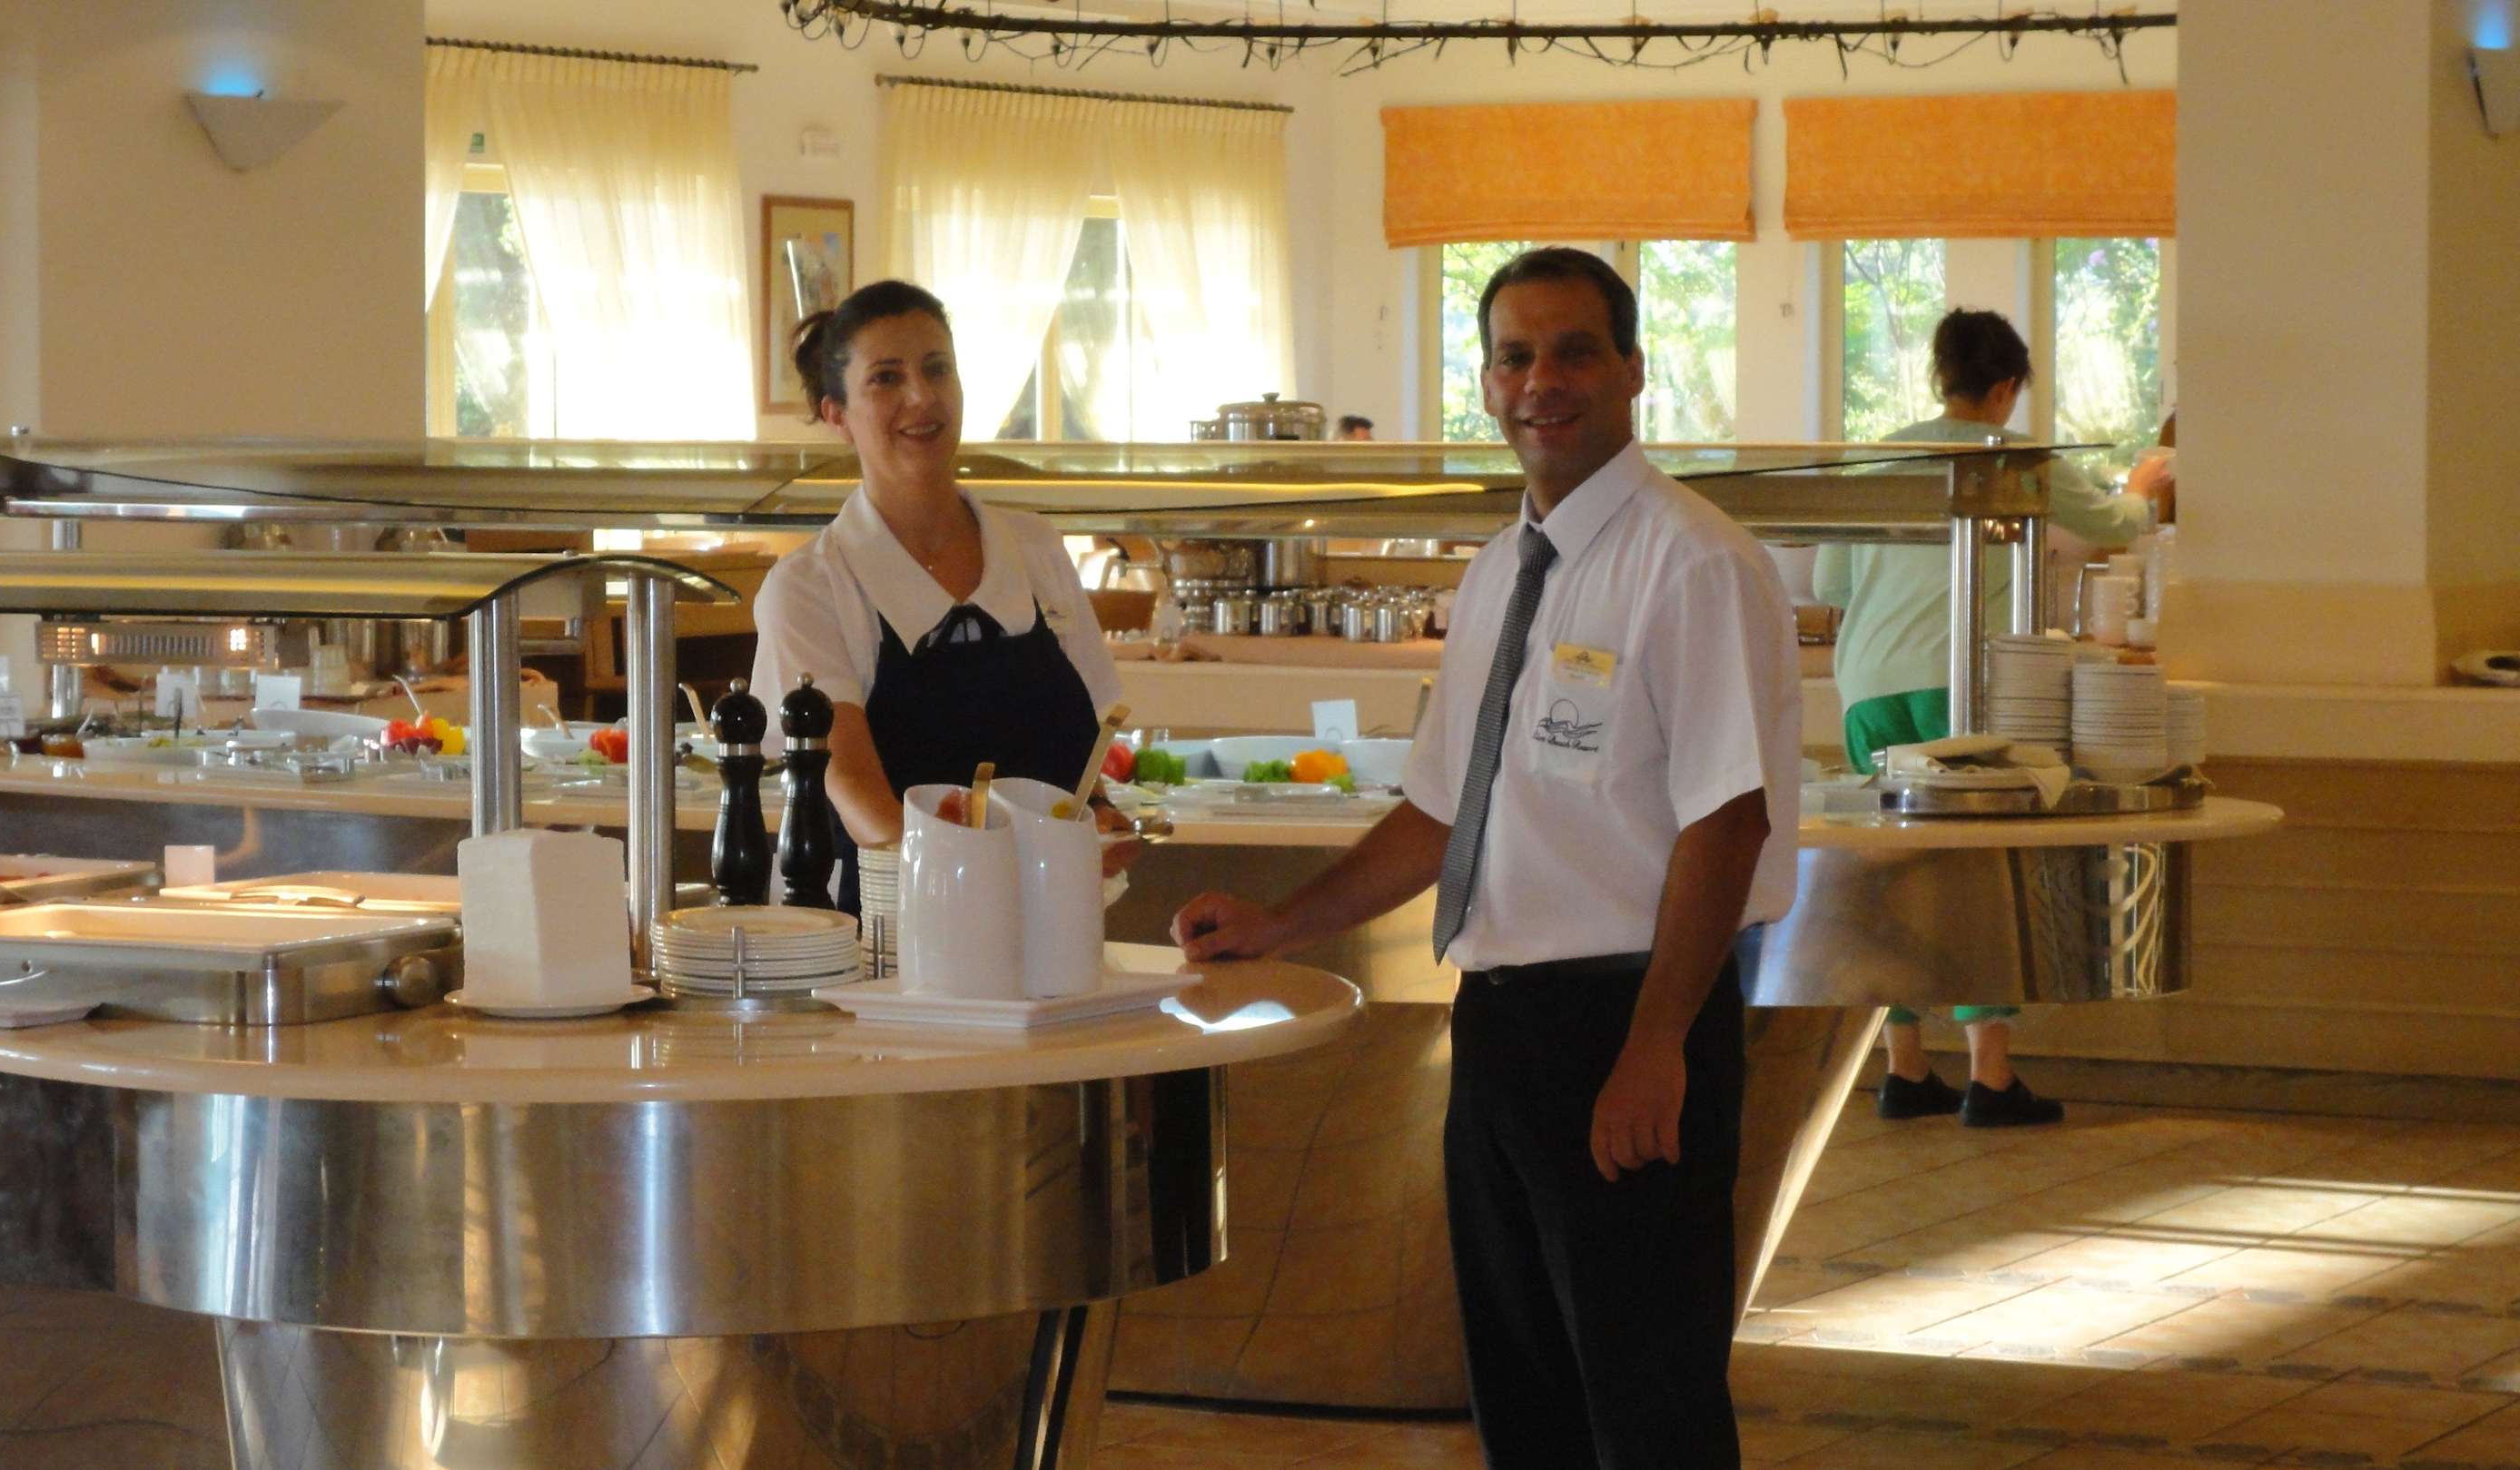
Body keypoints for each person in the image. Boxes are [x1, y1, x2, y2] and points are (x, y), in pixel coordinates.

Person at [1172, 247, 1801, 1469]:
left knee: (1650, 1401)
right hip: (1503, 1028)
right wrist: (1280, 923)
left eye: (1574, 351)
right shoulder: (1502, 567)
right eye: (1515, 355)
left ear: (1633, 368)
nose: (1541, 381)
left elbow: (1728, 823)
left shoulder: (1694, 562)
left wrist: (1656, 1045)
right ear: (1487, 380)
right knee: (1525, 1396)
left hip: (1629, 1019)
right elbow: (1440, 810)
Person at [1813, 308, 2173, 1128]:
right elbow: (2113, 523)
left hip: (1866, 684)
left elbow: (1832, 582)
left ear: (1941, 376)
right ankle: (1991, 1075)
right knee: (1978, 873)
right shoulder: (2016, 455)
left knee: (1890, 873)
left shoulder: (1882, 455)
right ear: (2006, 387)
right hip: (1959, 686)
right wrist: (2143, 485)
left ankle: (1904, 1069)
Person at [751, 279, 1134, 903]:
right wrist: (983, 889)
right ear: (837, 414)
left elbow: (1083, 773)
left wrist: (1105, 823)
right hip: (886, 934)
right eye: (886, 378)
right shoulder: (809, 586)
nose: (921, 396)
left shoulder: (1036, 549)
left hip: (1051, 930)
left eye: (937, 369)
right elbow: (858, 797)